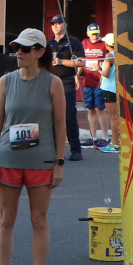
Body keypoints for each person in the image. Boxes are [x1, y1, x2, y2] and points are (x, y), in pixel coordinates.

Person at [0, 28, 66, 265]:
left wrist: (59, 162)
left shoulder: (52, 83)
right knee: (6, 219)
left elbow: (60, 124)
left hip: (41, 161)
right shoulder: (5, 81)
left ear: (40, 53)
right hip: (8, 158)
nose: (18, 52)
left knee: (38, 220)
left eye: (25, 48)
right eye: (16, 47)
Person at [46, 14, 84, 161]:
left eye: (58, 23)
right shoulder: (48, 43)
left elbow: (80, 62)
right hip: (50, 82)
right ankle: (53, 151)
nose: (55, 26)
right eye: (53, 24)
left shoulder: (73, 42)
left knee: (69, 116)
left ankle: (76, 150)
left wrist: (61, 61)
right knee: (50, 117)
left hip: (66, 81)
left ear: (65, 25)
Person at [81, 23, 110, 148]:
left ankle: (104, 137)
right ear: (88, 33)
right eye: (92, 34)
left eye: (96, 33)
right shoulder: (84, 42)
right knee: (90, 109)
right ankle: (93, 137)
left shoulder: (104, 44)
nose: (94, 36)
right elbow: (81, 60)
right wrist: (77, 76)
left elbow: (109, 59)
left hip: (100, 81)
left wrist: (101, 67)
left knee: (100, 109)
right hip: (88, 80)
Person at [99, 33, 120, 153]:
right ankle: (117, 141)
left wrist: (98, 70)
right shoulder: (120, 54)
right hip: (117, 88)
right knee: (117, 117)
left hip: (109, 88)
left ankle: (114, 143)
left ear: (107, 44)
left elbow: (106, 73)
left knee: (112, 117)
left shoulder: (108, 55)